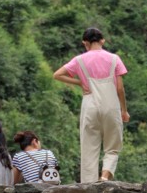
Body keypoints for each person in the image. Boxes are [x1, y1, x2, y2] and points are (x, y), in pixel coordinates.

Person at [51, 25, 129, 182]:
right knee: (112, 146)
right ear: (103, 40)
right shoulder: (114, 59)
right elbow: (120, 89)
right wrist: (124, 110)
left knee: (89, 148)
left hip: (90, 105)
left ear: (85, 43)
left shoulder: (79, 60)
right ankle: (105, 175)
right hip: (111, 106)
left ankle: (88, 185)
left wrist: (80, 82)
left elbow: (57, 74)